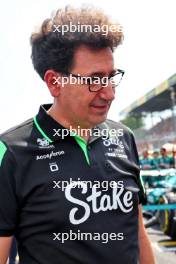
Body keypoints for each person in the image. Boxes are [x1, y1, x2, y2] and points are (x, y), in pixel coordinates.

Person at [0, 5, 155, 264]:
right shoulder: (12, 152)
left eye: (111, 77)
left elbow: (138, 233)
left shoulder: (124, 138)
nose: (109, 93)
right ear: (54, 82)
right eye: (94, 79)